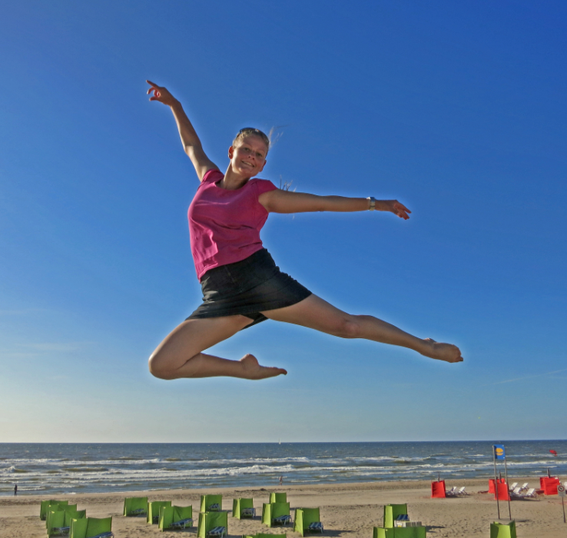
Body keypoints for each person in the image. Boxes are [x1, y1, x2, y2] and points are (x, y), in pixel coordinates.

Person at [146, 80, 463, 381]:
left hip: (256, 279)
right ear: (231, 151)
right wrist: (174, 104)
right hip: (217, 293)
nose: (251, 158)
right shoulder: (208, 180)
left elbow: (322, 202)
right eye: (246, 150)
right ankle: (244, 369)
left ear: (263, 165)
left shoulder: (262, 194)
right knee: (162, 365)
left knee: (346, 327)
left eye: (259, 155)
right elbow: (191, 144)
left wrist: (376, 204)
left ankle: (425, 346)